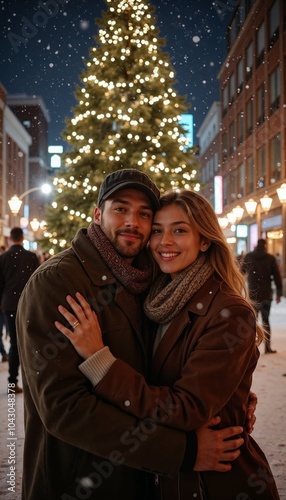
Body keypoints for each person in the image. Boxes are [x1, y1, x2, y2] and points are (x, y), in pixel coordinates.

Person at [17, 169, 256, 500]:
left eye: (145, 214)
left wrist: (230, 399)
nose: (133, 222)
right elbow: (64, 409)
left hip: (140, 480)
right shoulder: (58, 282)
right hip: (78, 480)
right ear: (98, 214)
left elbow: (168, 375)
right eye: (120, 209)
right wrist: (182, 451)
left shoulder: (148, 281)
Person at [0, 227, 39, 392]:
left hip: (9, 304)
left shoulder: (3, 258)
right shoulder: (31, 257)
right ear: (22, 238)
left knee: (15, 343)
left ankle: (12, 382)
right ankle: (31, 382)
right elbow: (37, 282)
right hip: (28, 303)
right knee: (30, 342)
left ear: (10, 239)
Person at [241, 238, 282, 354]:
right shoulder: (270, 258)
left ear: (256, 246)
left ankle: (249, 348)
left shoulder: (248, 257)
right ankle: (267, 347)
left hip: (253, 295)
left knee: (251, 321)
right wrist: (279, 293)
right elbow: (277, 277)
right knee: (265, 321)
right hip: (266, 295)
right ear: (264, 246)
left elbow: (240, 273)